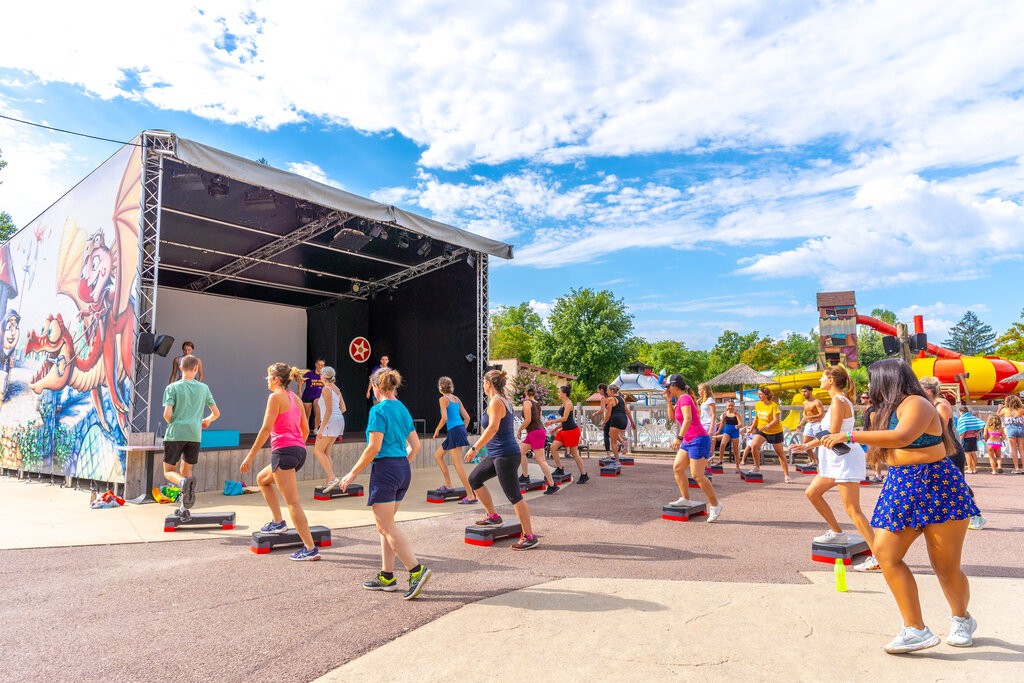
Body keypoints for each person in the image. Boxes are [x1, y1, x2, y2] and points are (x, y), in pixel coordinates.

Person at [821, 359, 980, 653]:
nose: (869, 387)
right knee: (886, 555)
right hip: (901, 485)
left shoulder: (917, 403)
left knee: (945, 566)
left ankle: (962, 618)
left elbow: (902, 437)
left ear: (887, 379)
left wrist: (850, 435)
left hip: (937, 484)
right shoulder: (887, 410)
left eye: (873, 381)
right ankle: (915, 629)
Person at [339, 369, 432, 599]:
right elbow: (416, 446)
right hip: (402, 468)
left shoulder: (377, 410)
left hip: (386, 470)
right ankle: (387, 576)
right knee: (386, 526)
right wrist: (401, 464)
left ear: (376, 388)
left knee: (386, 527)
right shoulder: (402, 408)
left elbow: (374, 447)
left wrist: (352, 473)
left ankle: (416, 570)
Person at [791, 366, 878, 572]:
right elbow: (830, 434)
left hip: (844, 459)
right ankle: (837, 532)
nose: (820, 380)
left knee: (852, 510)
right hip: (833, 459)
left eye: (822, 377)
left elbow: (834, 433)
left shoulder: (839, 401)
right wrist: (808, 445)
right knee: (812, 493)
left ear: (830, 380)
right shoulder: (836, 401)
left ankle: (879, 556)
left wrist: (809, 444)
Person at [240, 363, 319, 561]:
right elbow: (306, 430)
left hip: (284, 452)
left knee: (293, 503)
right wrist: (296, 445)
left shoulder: (275, 397)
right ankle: (278, 522)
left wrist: (249, 456)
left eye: (268, 376)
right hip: (298, 451)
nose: (266, 379)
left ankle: (310, 548)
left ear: (276, 379)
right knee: (262, 479)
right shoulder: (296, 399)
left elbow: (266, 429)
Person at [464, 369, 539, 550]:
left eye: (483, 382)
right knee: (474, 479)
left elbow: (492, 429)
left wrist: (475, 448)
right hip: (497, 454)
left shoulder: (497, 402)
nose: (482, 385)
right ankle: (493, 517)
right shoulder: (502, 400)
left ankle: (529, 536)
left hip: (505, 455)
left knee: (514, 496)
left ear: (489, 384)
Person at [161, 354, 219, 519]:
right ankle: (184, 509)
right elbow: (216, 413)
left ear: (180, 368)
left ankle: (182, 483)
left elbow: (167, 414)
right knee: (186, 470)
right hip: (195, 435)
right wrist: (206, 421)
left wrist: (174, 421)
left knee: (169, 471)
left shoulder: (172, 388)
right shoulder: (204, 388)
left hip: (175, 433)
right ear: (196, 369)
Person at [665, 375, 722, 522]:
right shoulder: (679, 399)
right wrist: (668, 401)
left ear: (675, 386)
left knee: (697, 476)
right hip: (689, 440)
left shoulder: (684, 398)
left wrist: (679, 437)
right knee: (677, 468)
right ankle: (686, 498)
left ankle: (716, 505)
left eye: (668, 386)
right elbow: (672, 418)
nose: (667, 389)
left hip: (698, 439)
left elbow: (688, 419)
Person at [430, 376, 476, 503]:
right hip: (458, 429)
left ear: (440, 387)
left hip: (455, 431)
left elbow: (444, 418)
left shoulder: (443, 399)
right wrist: (461, 430)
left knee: (458, 465)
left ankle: (470, 495)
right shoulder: (457, 399)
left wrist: (437, 429)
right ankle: (448, 484)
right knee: (438, 455)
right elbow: (467, 418)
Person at [744, 386, 793, 483]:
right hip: (762, 430)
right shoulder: (758, 404)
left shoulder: (773, 405)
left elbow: (776, 420)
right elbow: (757, 418)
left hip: (775, 431)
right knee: (754, 446)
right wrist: (752, 427)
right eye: (758, 394)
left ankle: (786, 475)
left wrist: (767, 426)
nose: (759, 396)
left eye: (760, 394)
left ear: (766, 395)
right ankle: (756, 467)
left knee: (780, 453)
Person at [517, 387, 558, 494]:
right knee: (520, 451)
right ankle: (525, 475)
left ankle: (552, 484)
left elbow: (528, 420)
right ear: (535, 393)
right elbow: (538, 419)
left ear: (525, 392)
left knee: (541, 460)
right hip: (536, 432)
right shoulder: (537, 404)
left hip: (535, 432)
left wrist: (520, 429)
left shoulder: (527, 403)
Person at [545, 384, 589, 484]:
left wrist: (551, 422)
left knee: (574, 453)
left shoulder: (568, 404)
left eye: (559, 392)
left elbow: (565, 418)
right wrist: (556, 428)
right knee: (553, 447)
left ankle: (584, 474)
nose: (558, 393)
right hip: (564, 430)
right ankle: (560, 469)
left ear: (564, 394)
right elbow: (565, 420)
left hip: (572, 431)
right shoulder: (563, 403)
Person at [313, 366, 346, 493]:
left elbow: (328, 410)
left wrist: (320, 430)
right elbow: (343, 408)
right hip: (338, 421)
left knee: (318, 451)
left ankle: (332, 478)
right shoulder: (337, 389)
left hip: (330, 421)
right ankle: (329, 480)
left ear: (323, 376)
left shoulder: (326, 389)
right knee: (325, 451)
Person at [796, 385, 824, 466]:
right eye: (802, 392)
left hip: (818, 424)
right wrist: (801, 424)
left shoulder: (816, 402)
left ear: (810, 391)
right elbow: (806, 415)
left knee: (821, 443)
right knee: (805, 443)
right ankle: (814, 460)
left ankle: (824, 462)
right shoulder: (804, 403)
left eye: (805, 391)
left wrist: (810, 417)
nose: (803, 393)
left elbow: (822, 414)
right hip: (809, 424)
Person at [860, 392, 885, 482]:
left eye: (863, 397)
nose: (861, 399)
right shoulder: (867, 409)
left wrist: (872, 437)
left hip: (871, 437)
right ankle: (877, 475)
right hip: (866, 436)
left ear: (869, 399)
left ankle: (878, 476)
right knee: (869, 459)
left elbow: (874, 423)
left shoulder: (872, 410)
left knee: (875, 457)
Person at [997, 395, 1024, 474]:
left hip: (1010, 429)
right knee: (1022, 449)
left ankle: (1016, 468)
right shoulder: (1021, 410)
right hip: (1020, 428)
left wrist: (999, 408)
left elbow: (997, 416)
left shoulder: (1005, 410)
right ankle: (1023, 467)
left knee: (1014, 449)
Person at [602, 385, 630, 463]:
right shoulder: (621, 399)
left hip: (615, 419)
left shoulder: (610, 399)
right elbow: (627, 411)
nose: (606, 392)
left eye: (607, 390)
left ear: (612, 391)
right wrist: (632, 422)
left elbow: (607, 413)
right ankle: (623, 442)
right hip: (624, 420)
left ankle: (617, 461)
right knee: (611, 434)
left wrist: (603, 422)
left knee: (613, 442)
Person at [712, 399, 743, 465]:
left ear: (734, 406)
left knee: (735, 450)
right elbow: (722, 423)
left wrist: (738, 426)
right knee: (722, 444)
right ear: (726, 406)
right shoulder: (724, 414)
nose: (730, 407)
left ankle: (737, 466)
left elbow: (741, 423)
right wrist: (718, 431)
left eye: (732, 406)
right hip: (727, 430)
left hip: (735, 431)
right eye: (729, 406)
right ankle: (720, 460)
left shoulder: (736, 414)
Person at [956, 406, 985, 475]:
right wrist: (977, 433)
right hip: (974, 437)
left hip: (967, 438)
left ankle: (969, 469)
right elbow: (983, 424)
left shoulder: (962, 419)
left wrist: (960, 441)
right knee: (973, 453)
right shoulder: (973, 417)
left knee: (967, 453)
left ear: (962, 412)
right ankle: (974, 468)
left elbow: (962, 431)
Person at [299, 359, 325, 436]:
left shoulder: (324, 375)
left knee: (318, 410)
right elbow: (301, 381)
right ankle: (304, 430)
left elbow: (327, 385)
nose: (320, 366)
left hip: (317, 396)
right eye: (319, 364)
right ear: (316, 364)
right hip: (307, 396)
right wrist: (299, 391)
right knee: (306, 414)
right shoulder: (309, 373)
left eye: (322, 365)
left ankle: (316, 429)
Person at [1, 309, 20, 401]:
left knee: (6, 372)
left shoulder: (11, 352)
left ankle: (3, 391)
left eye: (15, 323)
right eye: (9, 328)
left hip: (7, 359)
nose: (13, 333)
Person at [597, 383, 611, 458]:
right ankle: (622, 442)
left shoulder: (603, 397)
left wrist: (595, 413)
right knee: (613, 435)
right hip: (615, 417)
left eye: (598, 390)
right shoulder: (610, 396)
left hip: (608, 418)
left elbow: (602, 410)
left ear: (601, 390)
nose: (598, 392)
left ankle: (608, 454)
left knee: (606, 435)